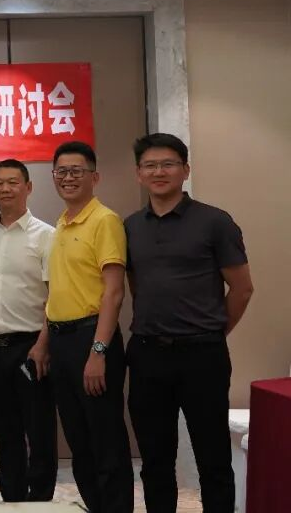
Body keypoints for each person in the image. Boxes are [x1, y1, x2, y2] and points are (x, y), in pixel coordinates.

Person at [125, 133, 253, 513]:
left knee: (213, 458)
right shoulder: (129, 226)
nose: (158, 172)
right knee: (155, 460)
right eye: (150, 165)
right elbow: (135, 286)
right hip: (147, 354)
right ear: (139, 173)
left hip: (203, 356)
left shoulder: (215, 222)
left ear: (185, 170)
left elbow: (242, 289)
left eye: (168, 164)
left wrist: (211, 332)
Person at [45, 141, 133, 513]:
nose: (68, 178)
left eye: (76, 171)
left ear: (94, 177)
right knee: (79, 442)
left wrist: (98, 351)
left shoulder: (104, 220)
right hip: (61, 341)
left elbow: (114, 292)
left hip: (93, 339)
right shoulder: (61, 224)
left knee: (106, 440)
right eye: (61, 172)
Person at [0, 159, 57, 502]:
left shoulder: (47, 235)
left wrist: (43, 343)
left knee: (39, 431)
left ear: (29, 187)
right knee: (5, 431)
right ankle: (11, 498)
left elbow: (56, 295)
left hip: (32, 345)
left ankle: (40, 501)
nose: (5, 189)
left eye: (13, 182)